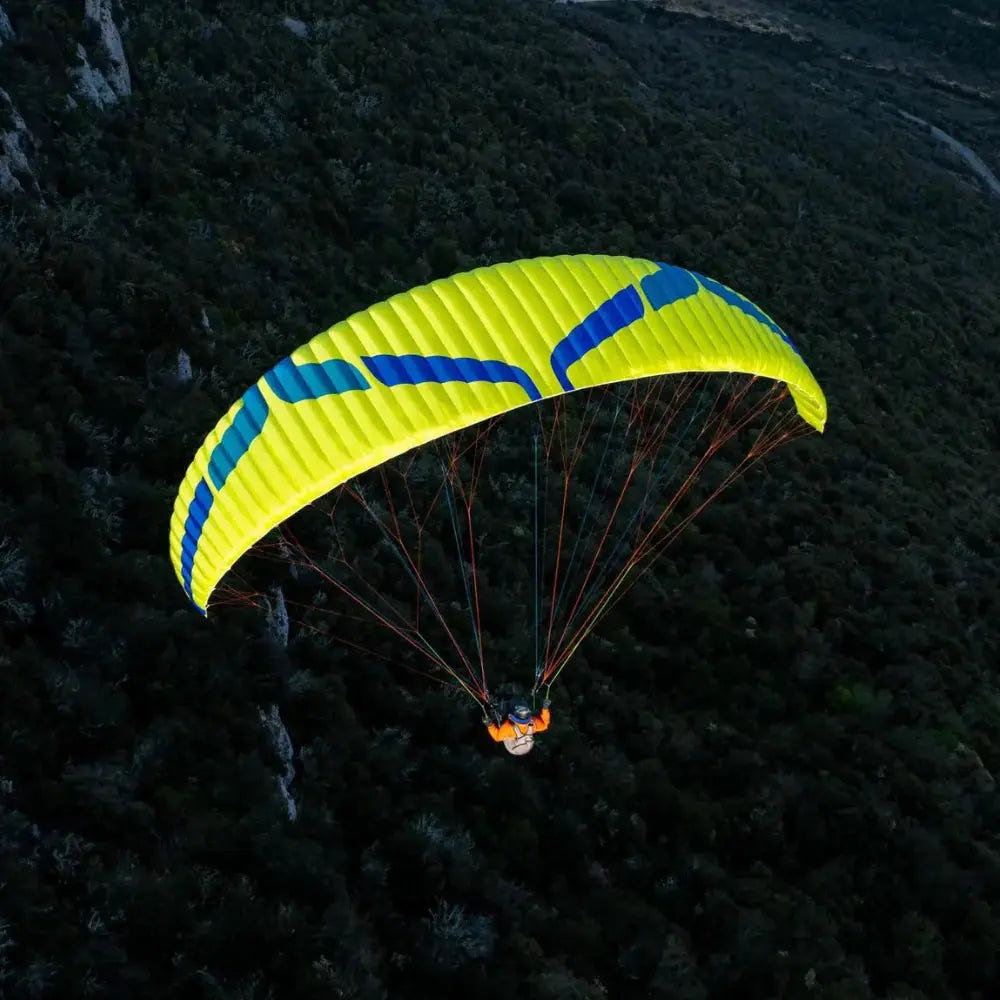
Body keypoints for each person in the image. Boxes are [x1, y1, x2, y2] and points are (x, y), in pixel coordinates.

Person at [486, 699, 551, 755]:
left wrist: (490, 725)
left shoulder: (508, 728)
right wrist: (545, 708)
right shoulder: (533, 724)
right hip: (525, 744)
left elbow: (497, 737)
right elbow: (545, 725)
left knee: (502, 715)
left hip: (512, 747)